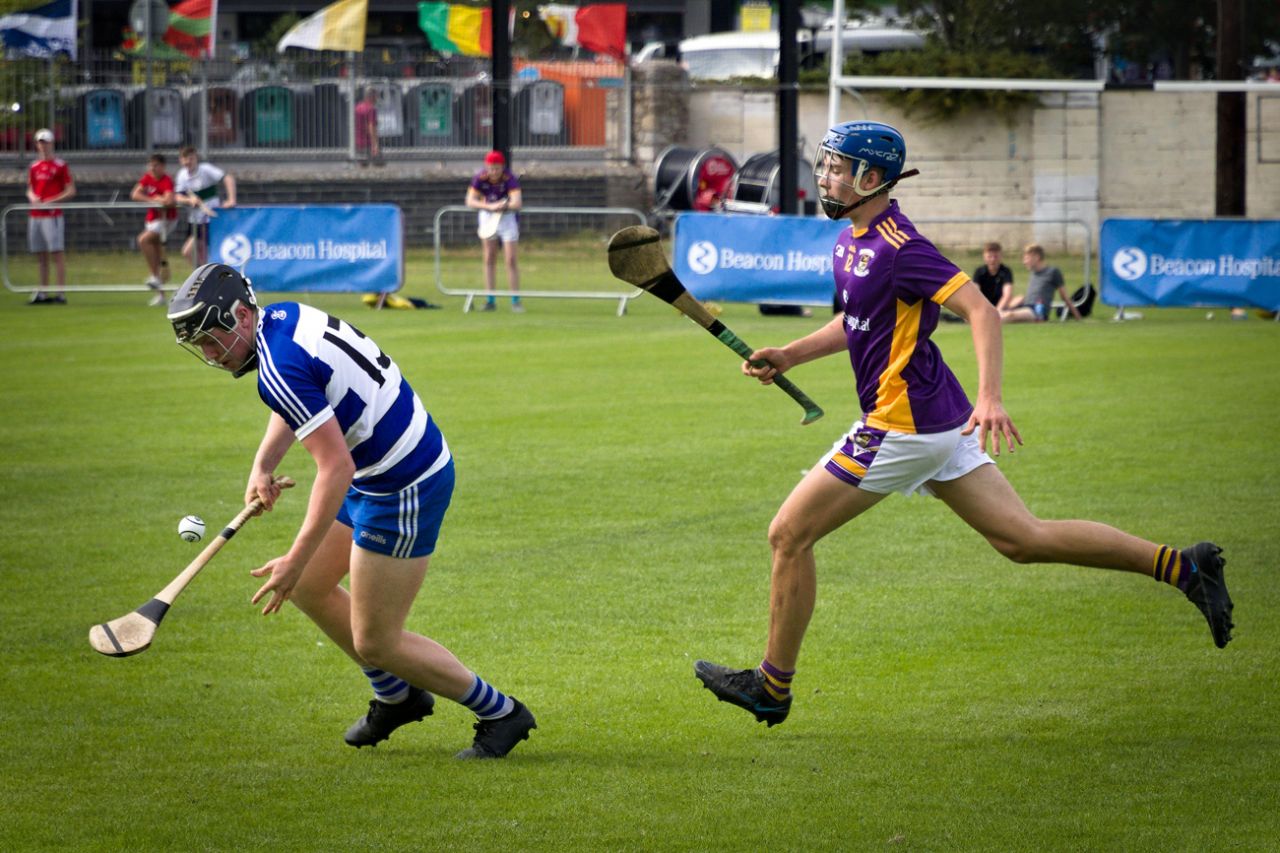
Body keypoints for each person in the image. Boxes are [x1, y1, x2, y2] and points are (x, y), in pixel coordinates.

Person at [693, 120, 1234, 728]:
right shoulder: (849, 242)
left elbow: (980, 310)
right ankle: (1184, 567)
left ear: (871, 178)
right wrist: (790, 354)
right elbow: (855, 323)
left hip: (904, 427)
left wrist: (992, 397)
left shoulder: (901, 247)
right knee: (1022, 540)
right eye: (824, 164)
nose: (824, 176)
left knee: (787, 534)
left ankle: (773, 684)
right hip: (935, 419)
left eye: (836, 167)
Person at [165, 264, 537, 758]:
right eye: (203, 346)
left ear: (240, 314)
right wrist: (264, 465)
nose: (211, 354)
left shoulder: (278, 363)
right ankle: (397, 697)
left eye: (214, 339)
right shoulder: (282, 319)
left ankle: (501, 712)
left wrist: (296, 555)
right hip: (377, 470)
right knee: (309, 588)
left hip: (403, 485)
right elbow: (300, 400)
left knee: (376, 641)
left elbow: (333, 467)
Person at [465, 150, 523, 312]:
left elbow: (517, 202)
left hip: (507, 219)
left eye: (497, 168)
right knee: (489, 257)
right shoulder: (480, 178)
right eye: (491, 168)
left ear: (502, 167)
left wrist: (504, 206)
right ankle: (490, 300)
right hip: (488, 217)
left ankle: (515, 300)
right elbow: (470, 200)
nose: (494, 172)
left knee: (510, 259)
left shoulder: (509, 178)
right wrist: (489, 206)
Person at [26, 128, 75, 305]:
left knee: (57, 253)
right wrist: (33, 198)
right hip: (36, 214)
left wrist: (51, 201)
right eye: (40, 142)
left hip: (52, 215)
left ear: (51, 144)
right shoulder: (34, 166)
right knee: (41, 255)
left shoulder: (60, 165)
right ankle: (43, 291)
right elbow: (30, 188)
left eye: (45, 142)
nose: (43, 146)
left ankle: (61, 293)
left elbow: (70, 190)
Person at [174, 145, 236, 269]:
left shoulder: (205, 169)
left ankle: (204, 278)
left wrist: (231, 199)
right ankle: (203, 278)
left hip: (210, 220)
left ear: (196, 158)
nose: (187, 162)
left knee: (196, 252)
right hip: (194, 220)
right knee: (195, 254)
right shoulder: (182, 175)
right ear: (180, 160)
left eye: (190, 159)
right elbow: (177, 196)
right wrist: (189, 199)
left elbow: (228, 178)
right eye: (184, 159)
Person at [130, 153, 178, 306]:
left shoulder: (167, 180)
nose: (152, 168)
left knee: (143, 240)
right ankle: (161, 294)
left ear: (162, 166)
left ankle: (155, 276)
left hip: (165, 220)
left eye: (155, 165)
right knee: (156, 252)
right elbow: (135, 194)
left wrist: (161, 200)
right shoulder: (147, 178)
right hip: (152, 220)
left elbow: (169, 200)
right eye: (150, 165)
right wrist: (154, 199)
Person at [999, 244, 1082, 323]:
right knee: (1006, 312)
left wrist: (1077, 316)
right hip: (1026, 307)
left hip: (1038, 311)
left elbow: (1064, 297)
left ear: (1037, 257)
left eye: (1027, 258)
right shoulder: (1033, 273)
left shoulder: (1053, 272)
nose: (1024, 262)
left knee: (1010, 315)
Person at [972, 241, 1014, 310]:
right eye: (989, 257)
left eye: (996, 257)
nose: (993, 260)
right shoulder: (979, 271)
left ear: (1001, 257)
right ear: (984, 257)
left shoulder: (1006, 271)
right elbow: (976, 294)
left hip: (1001, 305)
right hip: (984, 305)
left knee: (1020, 299)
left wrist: (997, 311)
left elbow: (1007, 295)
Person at [354, 88, 381, 167]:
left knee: (363, 166)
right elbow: (371, 127)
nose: (377, 99)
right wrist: (375, 145)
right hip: (368, 143)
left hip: (358, 142)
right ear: (372, 97)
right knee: (379, 166)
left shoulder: (358, 107)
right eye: (376, 96)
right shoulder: (371, 109)